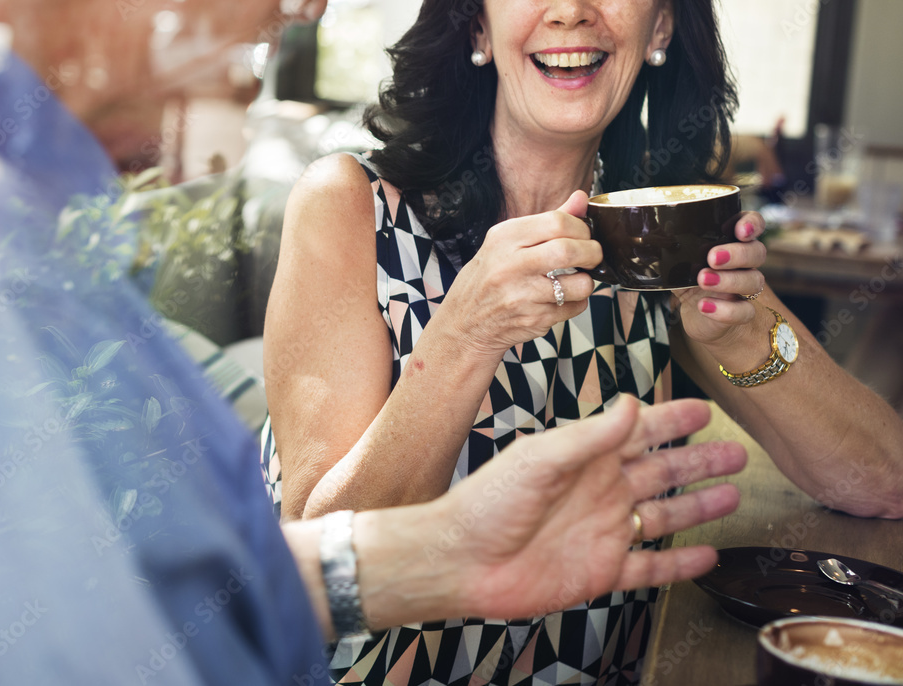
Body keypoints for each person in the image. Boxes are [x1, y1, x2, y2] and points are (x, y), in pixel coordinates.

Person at [0, 1, 747, 684]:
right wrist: (464, 341)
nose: (310, 7)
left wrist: (441, 555)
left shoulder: (31, 222)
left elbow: (187, 589)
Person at [262, 0, 903, 683]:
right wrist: (465, 335)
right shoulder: (350, 206)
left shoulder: (653, 235)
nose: (570, 11)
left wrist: (744, 334)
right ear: (477, 25)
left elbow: (881, 481)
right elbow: (320, 561)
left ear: (660, 28)